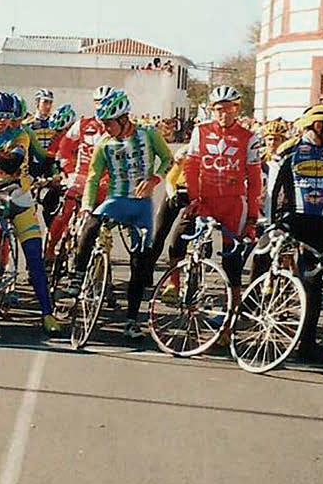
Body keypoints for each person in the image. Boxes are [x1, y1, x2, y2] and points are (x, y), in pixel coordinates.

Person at [69, 89, 174, 340]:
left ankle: (131, 321)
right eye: (103, 123)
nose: (105, 128)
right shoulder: (104, 144)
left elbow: (168, 160)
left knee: (139, 264)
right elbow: (93, 178)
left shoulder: (149, 135)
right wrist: (86, 205)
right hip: (116, 200)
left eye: (109, 123)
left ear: (124, 118)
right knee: (91, 223)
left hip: (141, 206)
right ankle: (78, 274)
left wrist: (154, 179)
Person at [0, 91, 63, 335]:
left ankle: (47, 313)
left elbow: (11, 164)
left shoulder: (20, 135)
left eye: (8, 117)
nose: (4, 122)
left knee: (34, 259)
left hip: (19, 199)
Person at [263, 103, 323, 363]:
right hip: (293, 223)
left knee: (314, 286)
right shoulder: (289, 152)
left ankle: (306, 344)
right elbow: (274, 191)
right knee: (276, 273)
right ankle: (262, 325)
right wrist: (273, 224)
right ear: (318, 125)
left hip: (321, 226)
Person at [163, 85, 262, 309]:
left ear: (237, 109)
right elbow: (191, 167)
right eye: (219, 109)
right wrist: (194, 199)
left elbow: (255, 180)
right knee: (178, 236)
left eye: (229, 109)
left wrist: (252, 217)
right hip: (204, 200)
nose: (223, 114)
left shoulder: (249, 137)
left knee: (231, 258)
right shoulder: (201, 131)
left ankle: (234, 305)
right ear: (212, 109)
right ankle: (174, 284)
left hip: (233, 204)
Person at [45, 85, 112, 261]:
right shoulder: (83, 124)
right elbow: (64, 147)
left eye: (105, 101)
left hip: (105, 179)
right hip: (81, 175)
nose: (101, 105)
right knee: (65, 212)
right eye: (98, 102)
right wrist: (68, 171)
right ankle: (50, 250)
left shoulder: (117, 127)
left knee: (103, 218)